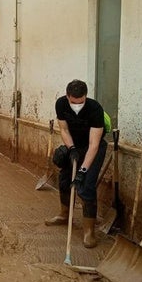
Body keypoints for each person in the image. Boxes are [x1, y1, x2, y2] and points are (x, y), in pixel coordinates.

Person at [45, 79, 107, 249]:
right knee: (65, 180)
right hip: (74, 144)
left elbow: (94, 144)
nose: (77, 106)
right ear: (68, 96)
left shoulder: (95, 109)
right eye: (73, 102)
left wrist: (82, 170)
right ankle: (64, 215)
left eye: (81, 102)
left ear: (86, 97)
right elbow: (64, 130)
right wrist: (71, 148)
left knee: (86, 186)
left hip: (92, 147)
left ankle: (89, 231)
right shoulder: (61, 104)